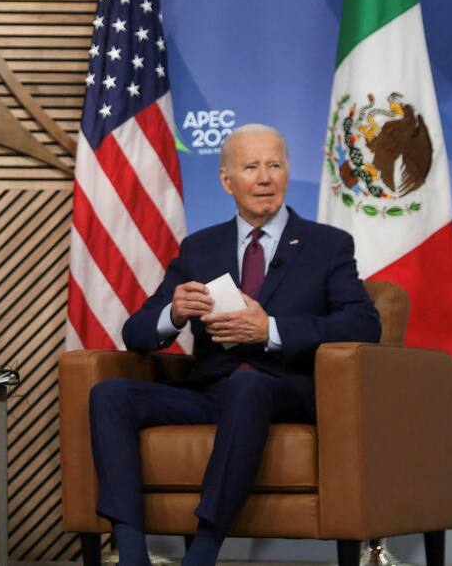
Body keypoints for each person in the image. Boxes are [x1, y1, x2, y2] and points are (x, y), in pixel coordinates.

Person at [89, 124, 381, 566]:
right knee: (110, 394)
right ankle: (131, 550)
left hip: (286, 390)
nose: (265, 178)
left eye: (275, 165)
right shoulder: (200, 248)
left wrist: (272, 331)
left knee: (249, 386)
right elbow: (137, 333)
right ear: (227, 180)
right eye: (251, 167)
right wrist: (176, 313)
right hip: (211, 391)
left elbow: (363, 324)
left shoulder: (327, 245)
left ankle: (203, 550)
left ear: (286, 172)